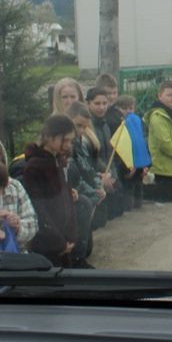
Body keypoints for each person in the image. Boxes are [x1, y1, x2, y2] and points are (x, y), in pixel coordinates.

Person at [21, 115, 82, 268]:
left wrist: (71, 236)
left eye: (70, 141)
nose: (68, 145)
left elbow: (65, 197)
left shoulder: (57, 159)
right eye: (64, 140)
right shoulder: (34, 167)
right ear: (48, 137)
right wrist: (58, 243)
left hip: (64, 237)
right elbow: (39, 209)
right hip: (48, 244)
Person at [64, 101, 106, 262]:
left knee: (88, 248)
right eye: (78, 126)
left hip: (84, 187)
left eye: (84, 127)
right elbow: (75, 174)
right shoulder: (67, 144)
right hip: (74, 191)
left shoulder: (81, 143)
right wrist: (92, 190)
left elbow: (87, 167)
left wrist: (97, 184)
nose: (80, 131)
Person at [85, 87, 124, 219]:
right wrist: (105, 174)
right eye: (97, 104)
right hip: (96, 176)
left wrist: (112, 174)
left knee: (117, 212)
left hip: (109, 173)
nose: (101, 107)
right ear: (88, 104)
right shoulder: (86, 127)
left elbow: (110, 153)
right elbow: (93, 156)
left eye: (104, 103)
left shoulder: (105, 125)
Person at [116, 95, 150, 210]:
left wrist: (146, 164)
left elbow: (143, 142)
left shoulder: (138, 122)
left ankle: (138, 204)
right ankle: (127, 207)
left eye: (131, 108)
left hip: (139, 161)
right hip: (128, 164)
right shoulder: (120, 124)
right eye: (124, 108)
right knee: (128, 188)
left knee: (139, 185)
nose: (128, 111)